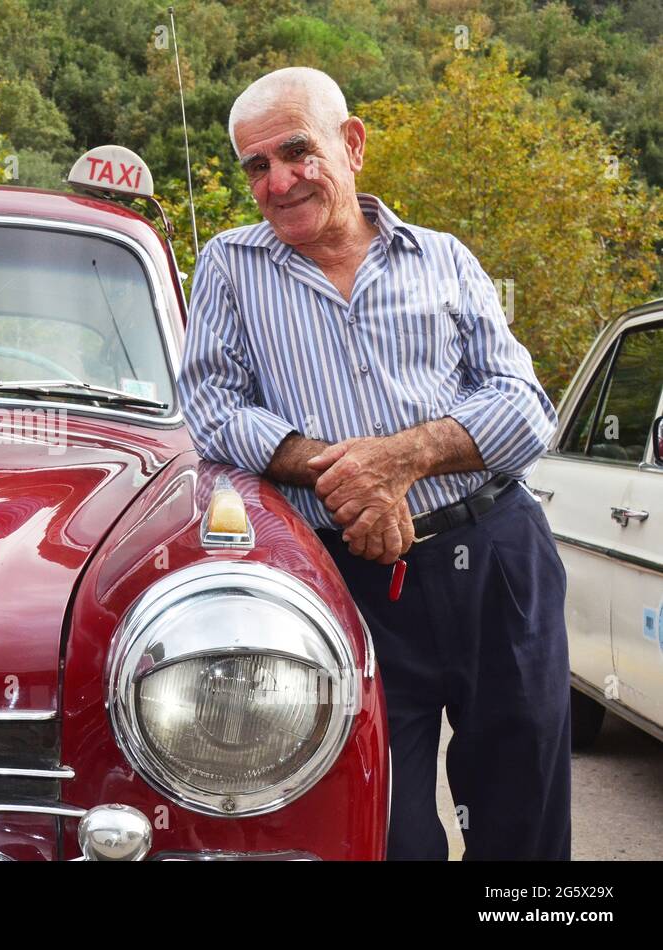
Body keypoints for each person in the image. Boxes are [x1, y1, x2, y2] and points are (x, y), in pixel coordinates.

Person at [178, 66, 571, 860]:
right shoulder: (228, 265)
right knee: (383, 820)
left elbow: (528, 407)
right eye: (257, 166)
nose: (279, 180)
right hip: (350, 571)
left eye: (296, 151)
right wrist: (347, 475)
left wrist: (403, 459)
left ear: (351, 144)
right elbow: (214, 409)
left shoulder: (446, 259)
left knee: (521, 804)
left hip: (496, 555)